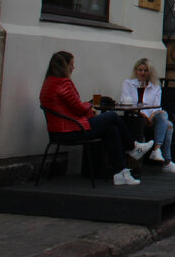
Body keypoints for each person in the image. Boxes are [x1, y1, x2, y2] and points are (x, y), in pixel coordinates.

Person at [39, 50, 153, 186]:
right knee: (111, 115)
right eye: (71, 65)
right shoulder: (63, 83)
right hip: (71, 130)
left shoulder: (48, 83)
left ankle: (121, 172)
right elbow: (78, 109)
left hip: (58, 131)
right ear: (64, 66)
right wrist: (90, 105)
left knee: (111, 129)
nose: (73, 68)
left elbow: (69, 108)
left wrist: (87, 108)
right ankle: (133, 147)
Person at [120, 58, 175, 173]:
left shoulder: (155, 86)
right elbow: (125, 102)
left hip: (152, 117)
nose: (142, 73)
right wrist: (143, 115)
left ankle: (157, 149)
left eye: (145, 70)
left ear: (149, 72)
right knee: (169, 125)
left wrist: (150, 118)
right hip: (136, 117)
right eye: (140, 70)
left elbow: (156, 107)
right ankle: (167, 161)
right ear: (136, 71)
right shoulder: (128, 83)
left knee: (164, 115)